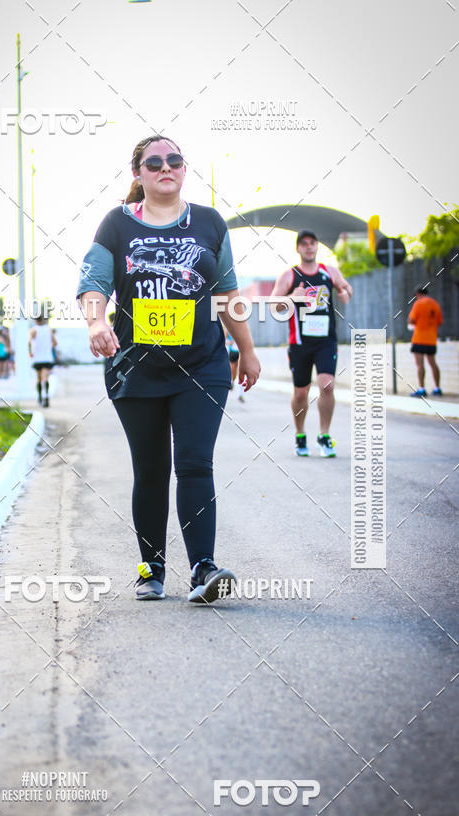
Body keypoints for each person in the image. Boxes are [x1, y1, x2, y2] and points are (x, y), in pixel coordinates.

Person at [77, 135, 261, 603]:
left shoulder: (210, 222)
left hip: (202, 365)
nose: (165, 167)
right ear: (138, 173)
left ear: (183, 169)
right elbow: (93, 282)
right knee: (152, 470)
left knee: (195, 463)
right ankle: (151, 569)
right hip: (136, 369)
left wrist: (247, 350)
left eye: (174, 160)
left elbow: (228, 295)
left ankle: (203, 569)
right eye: (154, 161)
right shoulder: (116, 224)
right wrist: (96, 322)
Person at [271, 230, 352, 457]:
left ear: (317, 246)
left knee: (327, 386)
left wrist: (344, 292)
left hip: (326, 341)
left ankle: (324, 435)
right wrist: (292, 297)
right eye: (304, 244)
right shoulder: (289, 276)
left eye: (312, 243)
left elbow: (347, 290)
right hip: (300, 343)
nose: (309, 247)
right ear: (298, 248)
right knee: (301, 393)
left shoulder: (329, 271)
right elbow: (274, 305)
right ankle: (300, 434)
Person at [407, 285, 443, 397]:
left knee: (420, 365)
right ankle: (437, 388)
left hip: (419, 338)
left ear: (418, 294)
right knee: (433, 363)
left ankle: (421, 389)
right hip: (431, 339)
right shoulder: (435, 304)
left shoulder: (418, 303)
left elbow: (411, 320)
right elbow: (439, 321)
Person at [29, 315, 57, 407]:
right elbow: (55, 342)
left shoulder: (33, 330)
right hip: (47, 358)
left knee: (39, 378)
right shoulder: (49, 330)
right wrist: (48, 347)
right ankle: (46, 396)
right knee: (45, 378)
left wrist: (31, 352)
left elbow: (29, 342)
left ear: (35, 321)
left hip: (37, 358)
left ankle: (40, 397)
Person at [225, 328, 245, 402]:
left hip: (240, 352)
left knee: (241, 372)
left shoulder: (242, 326)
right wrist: (229, 342)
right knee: (233, 372)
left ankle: (241, 395)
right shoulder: (228, 328)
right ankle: (232, 382)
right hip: (232, 352)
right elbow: (223, 341)